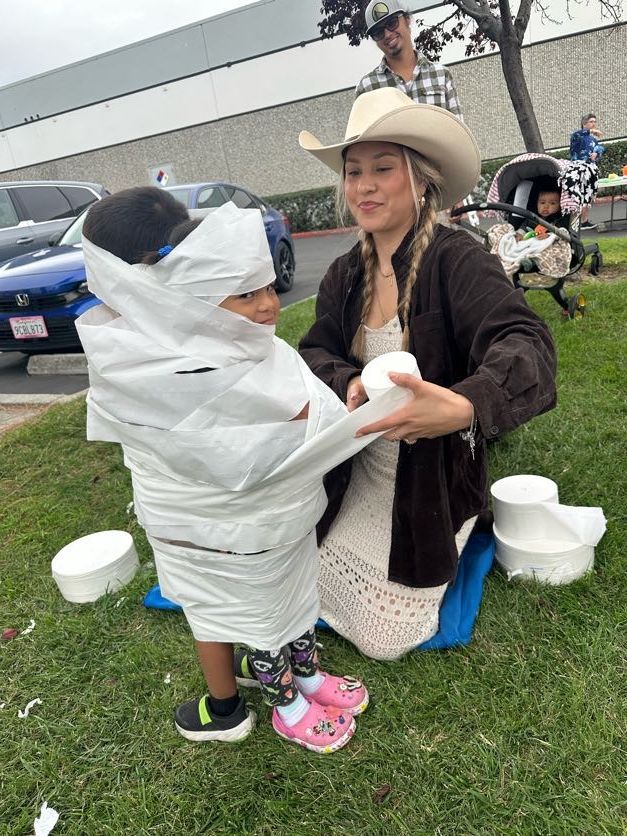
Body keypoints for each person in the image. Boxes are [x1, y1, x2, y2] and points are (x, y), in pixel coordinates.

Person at [77, 188, 371, 755]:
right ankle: (264, 704)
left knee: (267, 598)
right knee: (242, 610)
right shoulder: (171, 349)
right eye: (246, 293)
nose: (268, 306)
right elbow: (263, 427)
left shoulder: (164, 333)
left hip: (249, 522)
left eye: (267, 288)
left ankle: (293, 679)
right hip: (214, 525)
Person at [298, 88, 557, 661]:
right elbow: (313, 351)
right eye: (353, 172)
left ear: (420, 180)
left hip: (433, 482)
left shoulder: (457, 259)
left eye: (382, 169)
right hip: (355, 469)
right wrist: (350, 383)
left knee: (382, 638)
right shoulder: (343, 274)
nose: (364, 186)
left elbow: (528, 344)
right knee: (292, 577)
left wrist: (464, 406)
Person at [356, 0, 463, 120]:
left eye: (392, 23)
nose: (387, 34)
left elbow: (458, 128)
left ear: (407, 20)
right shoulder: (367, 88)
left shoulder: (441, 75)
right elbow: (362, 132)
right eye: (378, 32)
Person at [570, 113, 605, 229]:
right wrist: (592, 131)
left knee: (588, 195)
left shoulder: (593, 139)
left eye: (595, 121)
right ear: (584, 123)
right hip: (578, 169)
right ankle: (574, 222)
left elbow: (600, 148)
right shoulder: (577, 135)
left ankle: (584, 221)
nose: (594, 124)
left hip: (591, 169)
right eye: (591, 121)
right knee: (578, 195)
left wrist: (597, 152)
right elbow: (576, 135)